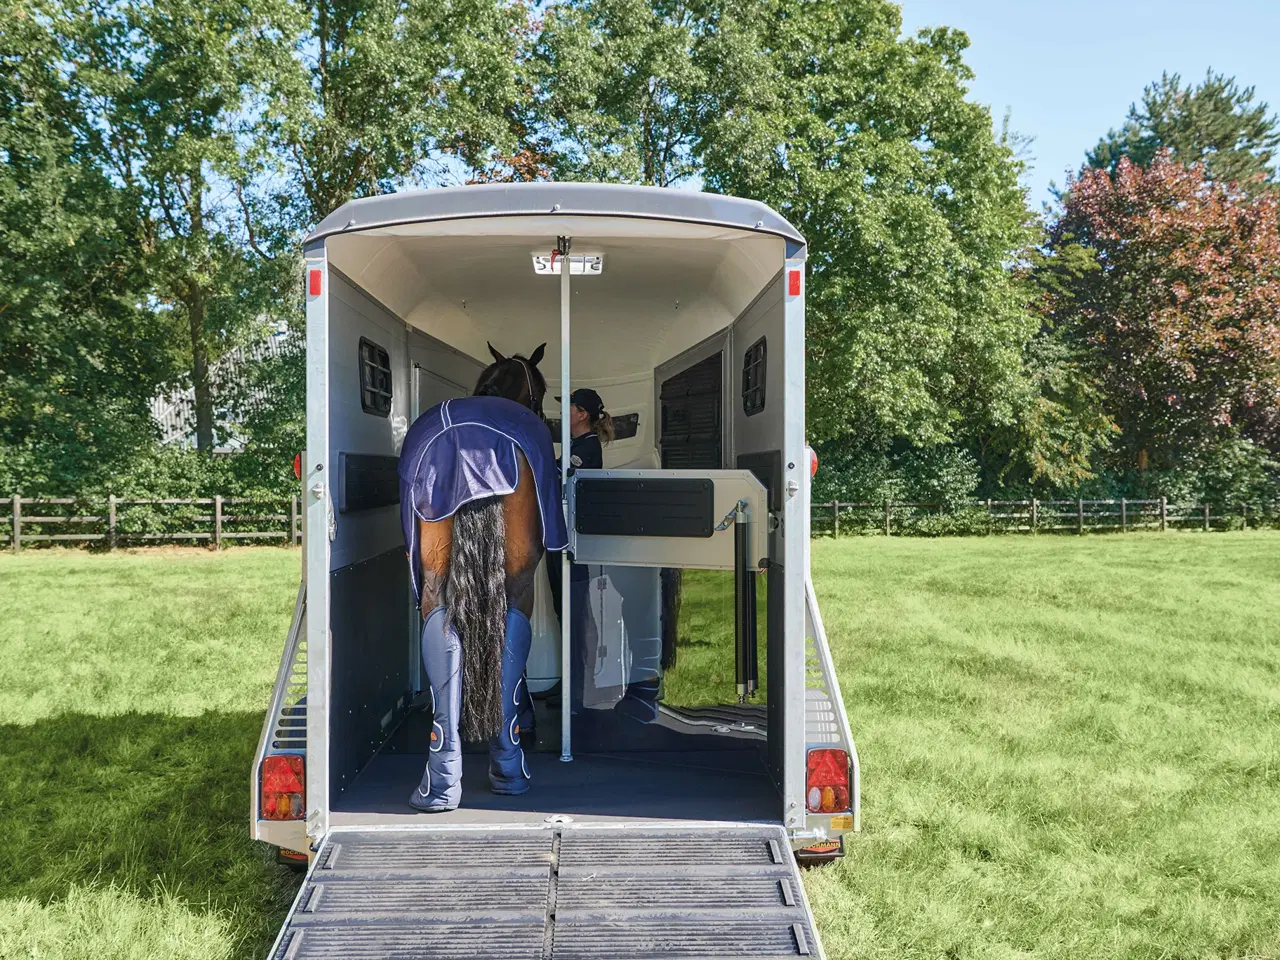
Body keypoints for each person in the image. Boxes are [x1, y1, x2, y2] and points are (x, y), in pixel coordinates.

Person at [546, 388, 614, 712]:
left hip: (573, 543)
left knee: (575, 614)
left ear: (582, 414)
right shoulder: (575, 445)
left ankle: (579, 687)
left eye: (569, 408)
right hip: (562, 539)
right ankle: (569, 679)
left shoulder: (587, 448)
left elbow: (559, 481)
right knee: (565, 611)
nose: (565, 414)